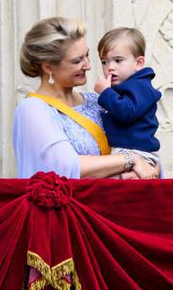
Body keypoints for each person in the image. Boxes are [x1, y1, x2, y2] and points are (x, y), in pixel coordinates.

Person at [12, 17, 160, 179]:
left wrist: (149, 167)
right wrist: (130, 159)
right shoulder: (33, 109)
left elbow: (143, 147)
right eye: (77, 61)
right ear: (48, 67)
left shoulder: (96, 100)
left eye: (87, 56)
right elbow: (64, 167)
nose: (88, 65)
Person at [93, 27, 162, 171]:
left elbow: (127, 112)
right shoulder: (124, 85)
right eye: (104, 62)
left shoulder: (142, 86)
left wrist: (105, 92)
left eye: (118, 60)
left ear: (139, 63)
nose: (110, 67)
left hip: (139, 151)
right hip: (126, 151)